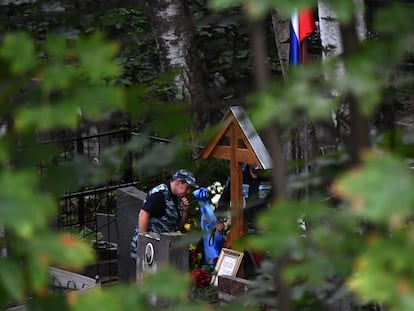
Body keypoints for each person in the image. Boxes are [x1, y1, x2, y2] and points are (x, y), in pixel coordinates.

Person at [130, 169, 199, 261]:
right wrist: (144, 242)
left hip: (162, 247)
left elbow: (178, 227)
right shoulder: (160, 194)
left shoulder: (175, 197)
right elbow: (143, 214)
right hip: (150, 249)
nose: (188, 192)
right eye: (187, 187)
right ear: (179, 182)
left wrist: (185, 211)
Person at [216, 163, 271, 232]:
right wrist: (219, 220)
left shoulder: (270, 176)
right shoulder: (238, 173)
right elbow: (225, 198)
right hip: (242, 226)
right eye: (256, 168)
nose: (258, 170)